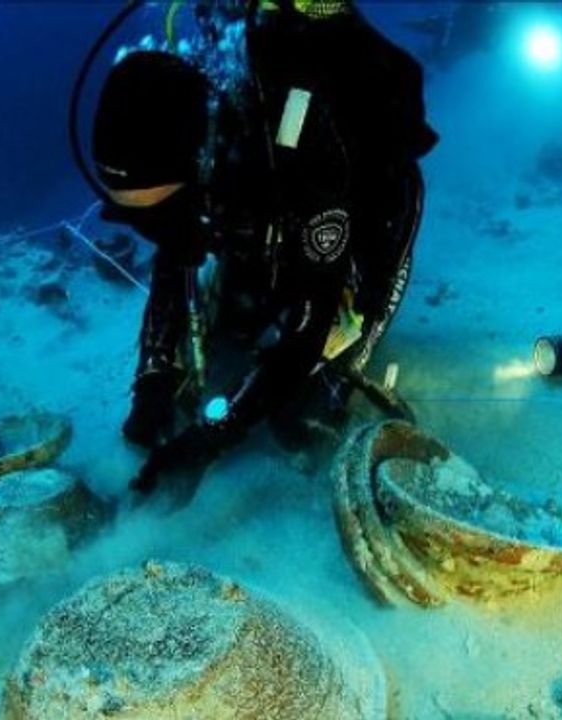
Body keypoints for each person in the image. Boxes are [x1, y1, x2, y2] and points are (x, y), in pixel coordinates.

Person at [91, 0, 437, 505]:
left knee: (302, 414)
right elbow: (175, 253)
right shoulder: (205, 148)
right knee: (223, 347)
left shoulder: (306, 150)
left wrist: (215, 436)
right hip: (268, 216)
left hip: (364, 225)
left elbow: (312, 322)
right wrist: (153, 381)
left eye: (163, 212)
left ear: (197, 164)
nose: (157, 232)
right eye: (138, 220)